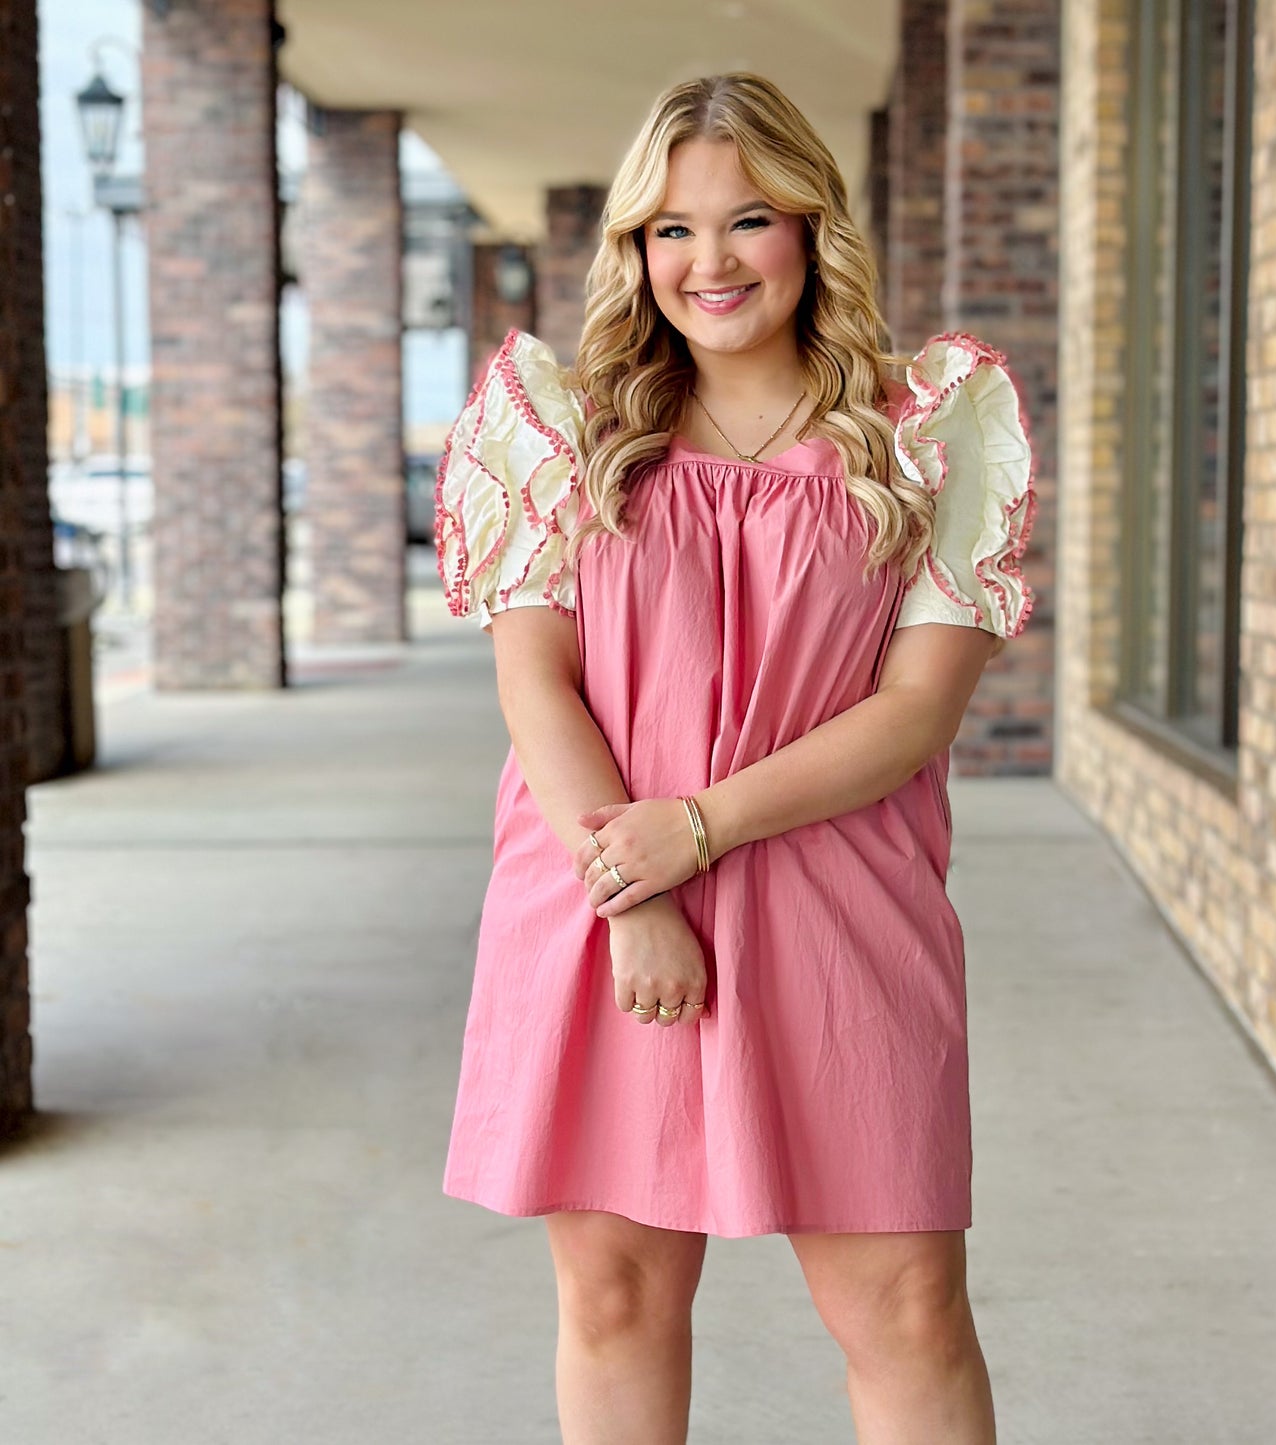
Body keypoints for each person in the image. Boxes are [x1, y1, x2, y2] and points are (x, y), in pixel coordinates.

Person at [435, 71, 1036, 1445]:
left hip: (838, 893)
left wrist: (694, 827)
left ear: (812, 230)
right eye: (669, 229)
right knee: (615, 1296)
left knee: (905, 1308)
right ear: (634, 251)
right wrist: (636, 889)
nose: (707, 261)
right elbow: (534, 679)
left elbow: (914, 712)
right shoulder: (563, 430)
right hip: (598, 896)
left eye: (748, 218)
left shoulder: (924, 431)